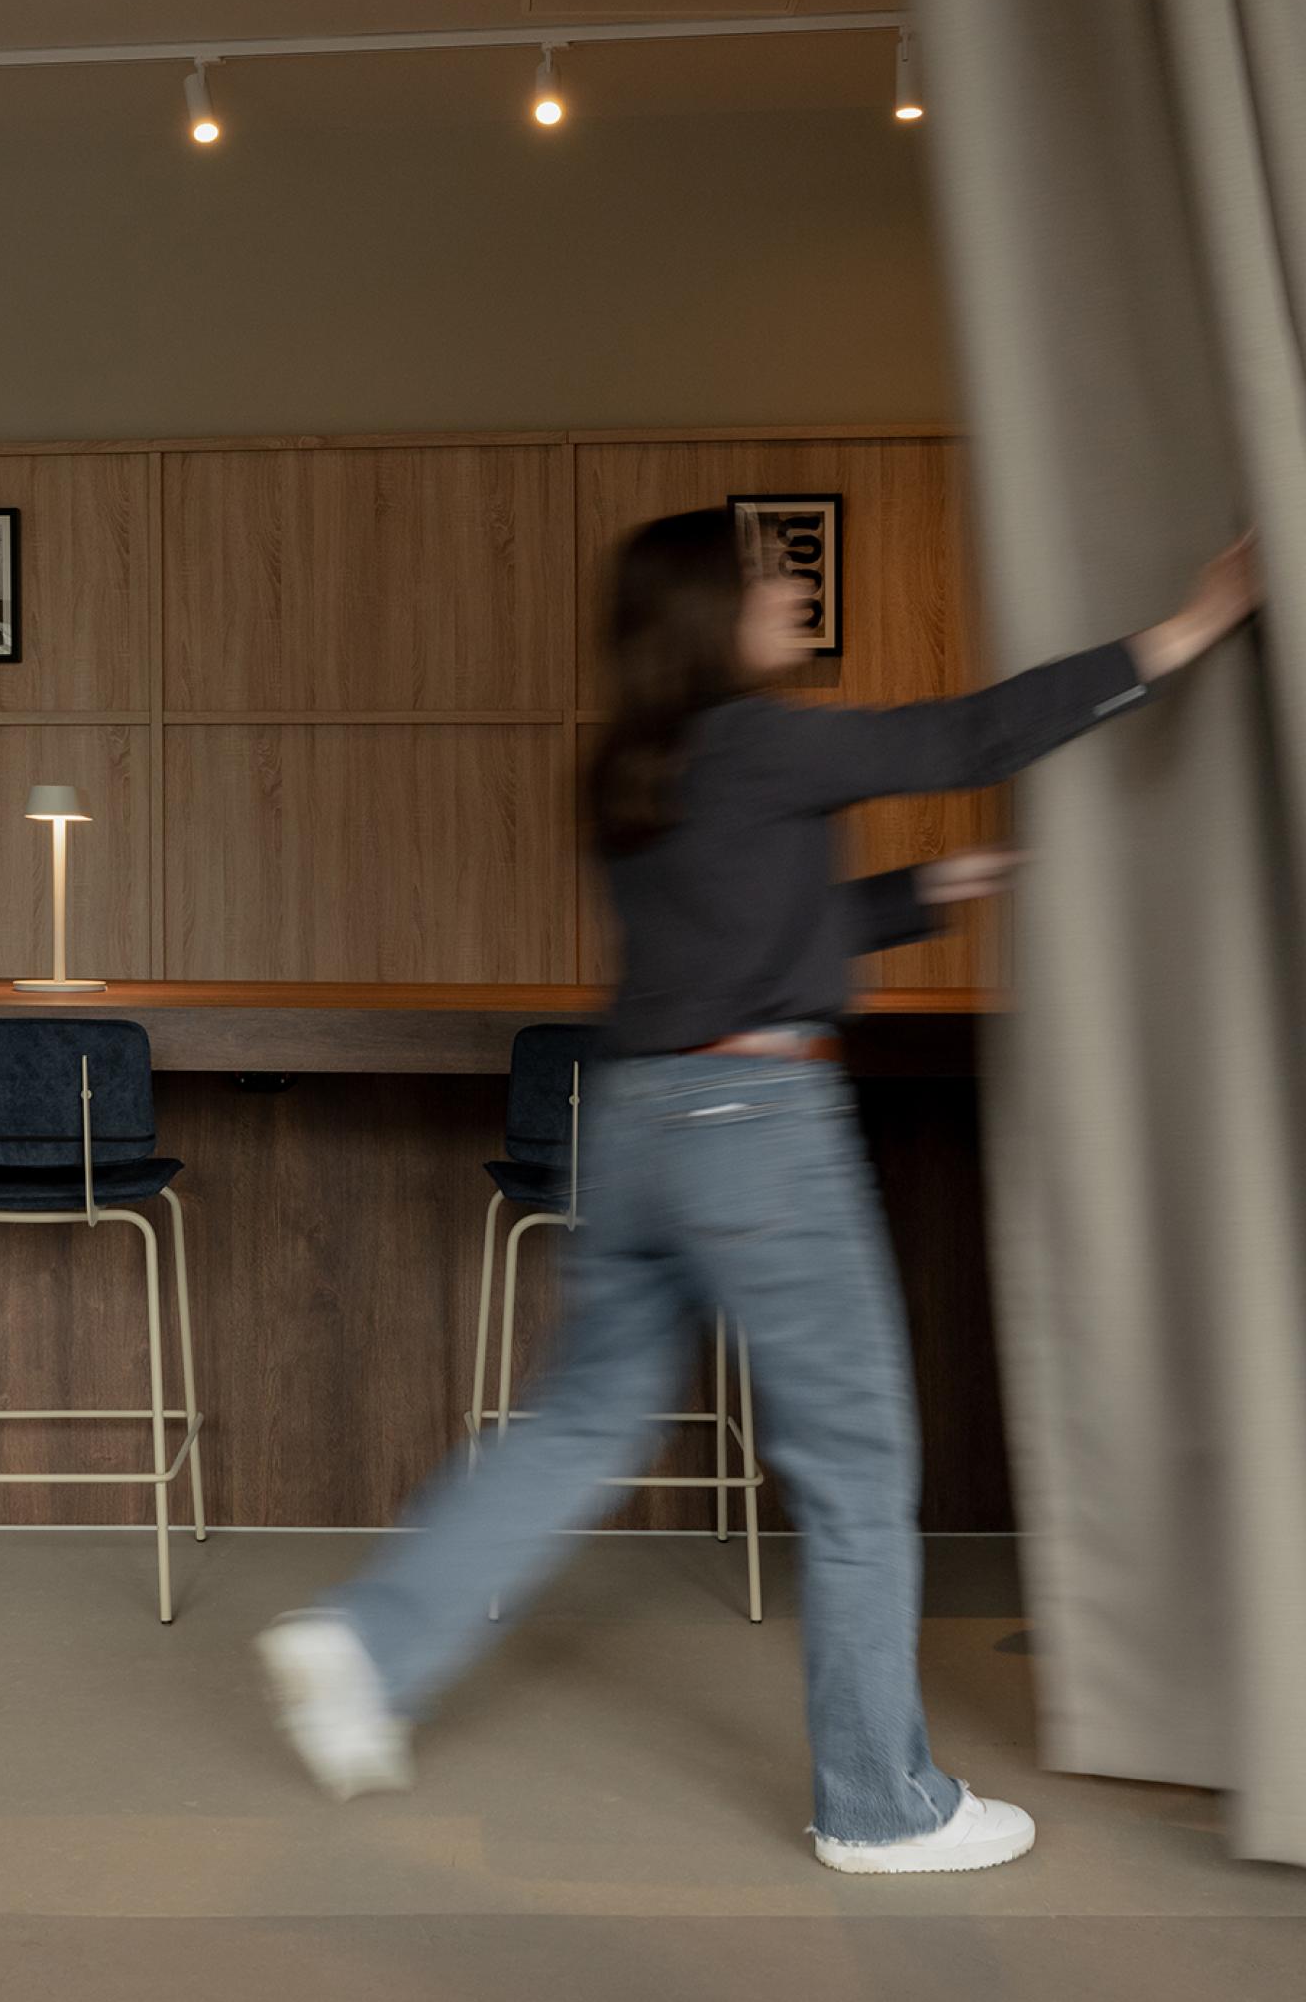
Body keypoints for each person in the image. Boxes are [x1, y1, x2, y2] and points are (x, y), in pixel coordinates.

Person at [259, 512, 1259, 1875]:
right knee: (856, 1467)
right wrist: (1193, 625)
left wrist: (926, 890)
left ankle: (367, 1643)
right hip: (757, 1127)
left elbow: (751, 928)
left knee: (577, 1422)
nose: (793, 589)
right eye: (765, 576)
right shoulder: (760, 741)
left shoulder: (638, 768)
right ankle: (881, 1806)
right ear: (706, 613)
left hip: (634, 1123)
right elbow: (967, 739)